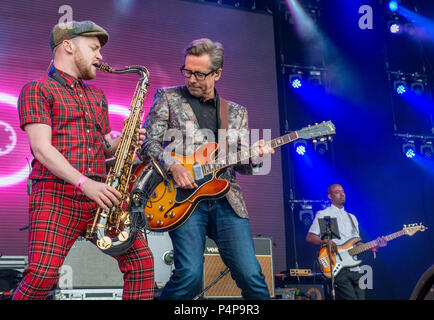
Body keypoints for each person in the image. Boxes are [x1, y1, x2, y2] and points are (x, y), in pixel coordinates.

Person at [14, 20, 154, 300]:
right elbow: (41, 149)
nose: (100, 56)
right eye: (93, 48)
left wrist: (122, 143)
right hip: (56, 195)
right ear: (68, 46)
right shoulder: (37, 89)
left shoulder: (97, 96)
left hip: (100, 196)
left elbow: (100, 149)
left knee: (142, 264)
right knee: (42, 275)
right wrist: (84, 183)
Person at [143, 38, 274, 299]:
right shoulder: (168, 98)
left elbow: (242, 163)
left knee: (252, 276)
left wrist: (256, 156)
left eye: (199, 74)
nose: (190, 79)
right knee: (189, 275)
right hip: (184, 199)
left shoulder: (236, 113)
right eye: (187, 71)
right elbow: (147, 143)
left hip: (226, 200)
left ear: (217, 74)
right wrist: (174, 165)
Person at [306, 184, 387, 300]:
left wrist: (375, 246)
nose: (342, 194)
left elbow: (358, 244)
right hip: (338, 268)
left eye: (343, 191)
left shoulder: (352, 218)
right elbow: (310, 237)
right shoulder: (324, 214)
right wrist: (325, 241)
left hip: (355, 268)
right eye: (338, 192)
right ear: (330, 196)